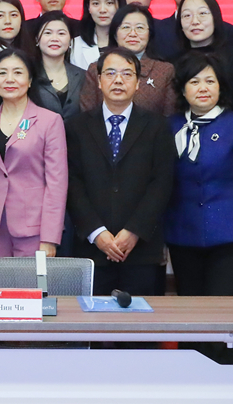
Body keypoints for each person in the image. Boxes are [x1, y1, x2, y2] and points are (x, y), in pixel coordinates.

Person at [66, 45, 176, 296]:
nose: (118, 80)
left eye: (127, 74)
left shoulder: (157, 127)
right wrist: (97, 233)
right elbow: (73, 183)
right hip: (92, 249)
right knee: (89, 318)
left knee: (141, 319)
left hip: (142, 249)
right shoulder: (77, 127)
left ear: (137, 83)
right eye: (110, 73)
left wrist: (134, 231)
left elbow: (162, 183)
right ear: (99, 81)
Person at [164, 52, 233, 310]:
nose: (203, 88)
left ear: (220, 87)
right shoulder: (170, 127)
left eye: (210, 81)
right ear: (182, 90)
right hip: (181, 235)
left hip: (229, 239)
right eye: (194, 82)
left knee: (224, 313)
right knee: (189, 313)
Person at [0, 48, 68, 258]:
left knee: (31, 281)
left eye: (18, 72)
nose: (9, 79)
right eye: (2, 73)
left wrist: (49, 238)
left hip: (35, 229)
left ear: (30, 80)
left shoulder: (49, 121)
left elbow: (57, 184)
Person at [79, 5, 177, 116]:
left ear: (150, 34)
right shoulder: (96, 69)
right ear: (115, 33)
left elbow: (169, 116)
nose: (133, 34)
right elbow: (88, 115)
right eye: (126, 27)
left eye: (140, 28)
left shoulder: (165, 70)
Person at [173, 0, 233, 110]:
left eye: (202, 13)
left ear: (215, 18)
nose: (195, 21)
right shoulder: (174, 63)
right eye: (187, 15)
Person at [30, 11, 86, 119]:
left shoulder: (83, 76)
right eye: (48, 33)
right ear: (37, 39)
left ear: (70, 41)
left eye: (61, 33)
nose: (54, 39)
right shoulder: (29, 75)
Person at [70, 0, 124, 69]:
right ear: (88, 7)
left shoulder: (130, 41)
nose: (102, 10)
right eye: (96, 3)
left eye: (109, 3)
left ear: (120, 6)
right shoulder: (75, 45)